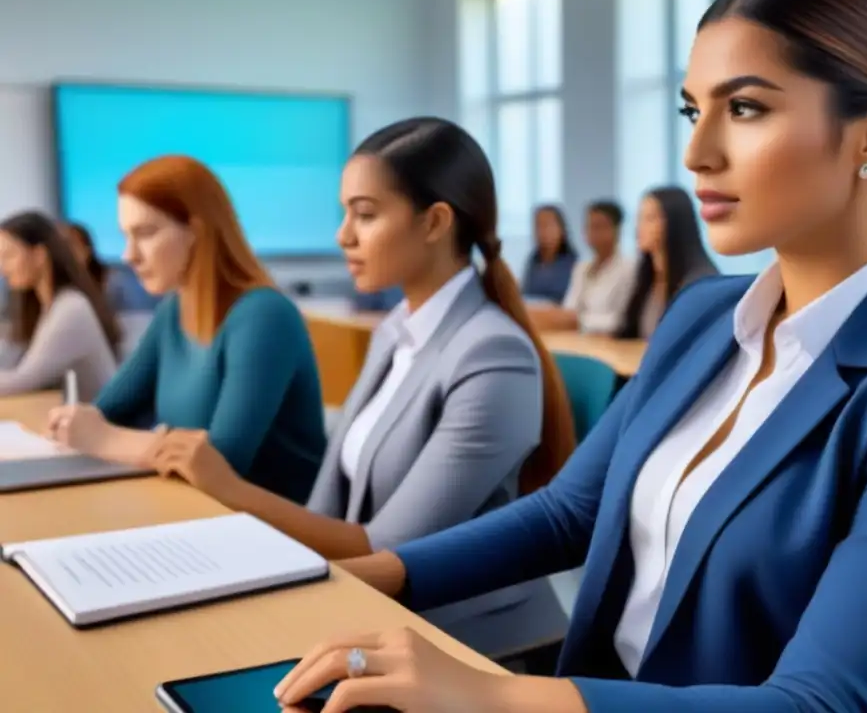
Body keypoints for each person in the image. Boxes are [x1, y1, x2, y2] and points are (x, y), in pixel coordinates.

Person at [273, 0, 867, 713]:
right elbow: (571, 512)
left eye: (747, 109)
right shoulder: (703, 317)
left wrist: (492, 697)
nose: (697, 155)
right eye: (693, 112)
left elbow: (828, 704)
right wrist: (365, 577)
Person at [140, 119, 576, 633]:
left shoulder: (493, 356)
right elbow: (327, 509)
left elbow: (388, 550)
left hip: (461, 635)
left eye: (364, 215)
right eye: (345, 213)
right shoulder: (396, 329)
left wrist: (229, 489)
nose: (342, 234)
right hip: (368, 606)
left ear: (435, 222)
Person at [48, 155, 326, 503]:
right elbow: (108, 410)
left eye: (145, 234)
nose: (129, 255)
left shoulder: (264, 315)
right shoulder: (174, 309)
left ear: (198, 232)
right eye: (125, 236)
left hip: (268, 530)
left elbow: (220, 463)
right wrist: (85, 426)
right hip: (191, 509)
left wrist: (105, 439)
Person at [0, 212, 119, 400]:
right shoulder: (48, 307)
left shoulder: (71, 308)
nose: (2, 268)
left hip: (104, 423)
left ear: (39, 255)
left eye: (9, 256)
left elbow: (24, 380)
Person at [616, 186, 718, 339]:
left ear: (675, 223)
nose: (639, 227)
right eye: (639, 218)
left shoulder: (699, 282)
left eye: (650, 218)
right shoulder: (648, 276)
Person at [529, 199, 635, 334]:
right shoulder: (582, 268)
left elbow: (622, 320)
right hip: (580, 339)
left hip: (608, 341)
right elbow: (569, 309)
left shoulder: (628, 269)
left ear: (616, 230)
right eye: (589, 226)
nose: (593, 233)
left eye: (599, 227)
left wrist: (579, 321)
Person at [62, 222, 160, 313]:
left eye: (72, 246)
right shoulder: (65, 287)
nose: (67, 253)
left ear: (87, 250)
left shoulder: (114, 282)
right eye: (63, 247)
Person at [522, 205, 577, 304]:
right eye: (538, 226)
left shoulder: (573, 264)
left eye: (547, 225)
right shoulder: (533, 260)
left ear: (561, 229)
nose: (542, 231)